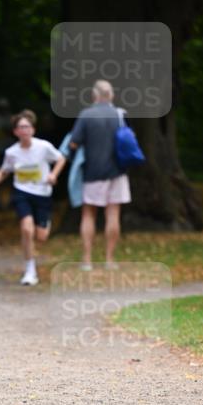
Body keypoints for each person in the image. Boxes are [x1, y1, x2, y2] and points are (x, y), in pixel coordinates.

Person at [0, 110, 65, 286]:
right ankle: (30, 269)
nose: (24, 130)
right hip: (21, 193)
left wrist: (53, 175)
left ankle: (44, 225)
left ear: (33, 129)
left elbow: (61, 158)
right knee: (26, 230)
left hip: (42, 193)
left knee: (41, 236)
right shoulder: (12, 152)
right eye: (20, 127)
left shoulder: (43, 147)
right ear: (16, 131)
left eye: (27, 127)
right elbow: (4, 171)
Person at [69, 80, 131, 270]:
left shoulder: (86, 115)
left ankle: (87, 260)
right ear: (111, 95)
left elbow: (73, 143)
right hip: (117, 172)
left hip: (93, 172)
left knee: (89, 214)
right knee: (113, 214)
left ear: (94, 95)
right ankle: (109, 259)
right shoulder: (120, 115)